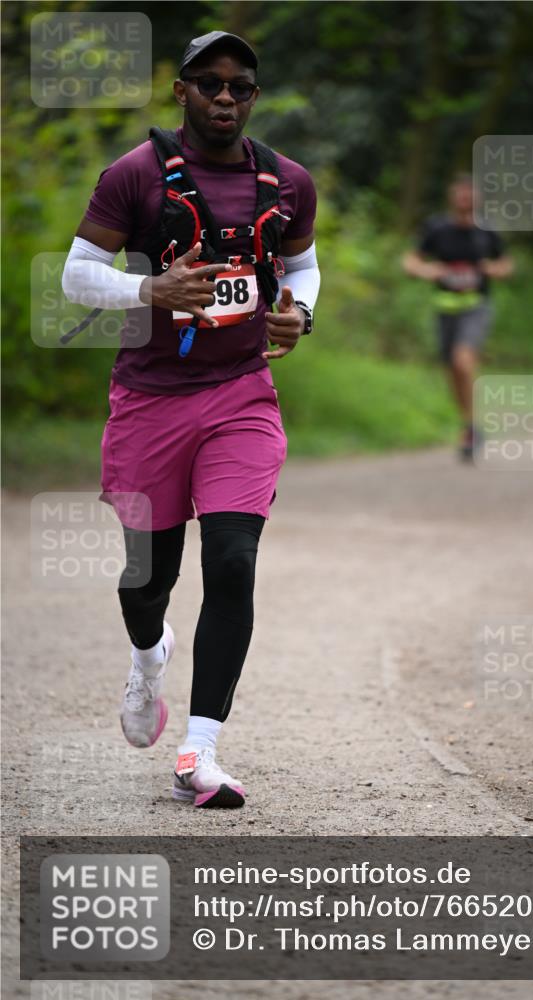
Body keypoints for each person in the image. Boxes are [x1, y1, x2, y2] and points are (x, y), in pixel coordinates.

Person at [61, 30, 320, 808]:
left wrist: (298, 313)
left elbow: (301, 264)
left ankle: (198, 752)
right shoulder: (134, 176)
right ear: (180, 91)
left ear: (253, 96)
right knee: (148, 582)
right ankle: (148, 659)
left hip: (241, 397)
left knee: (233, 561)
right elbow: (76, 275)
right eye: (208, 83)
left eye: (240, 86)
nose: (224, 97)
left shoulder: (286, 181)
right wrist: (150, 293)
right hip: (149, 403)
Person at [403, 174, 512, 460]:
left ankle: (471, 427)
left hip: (476, 307)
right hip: (445, 308)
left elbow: (506, 264)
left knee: (463, 361)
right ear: (452, 197)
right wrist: (427, 271)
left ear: (477, 199)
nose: (465, 199)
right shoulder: (438, 228)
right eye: (460, 194)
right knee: (452, 369)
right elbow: (411, 260)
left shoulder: (487, 231)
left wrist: (494, 269)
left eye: (470, 194)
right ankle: (470, 424)